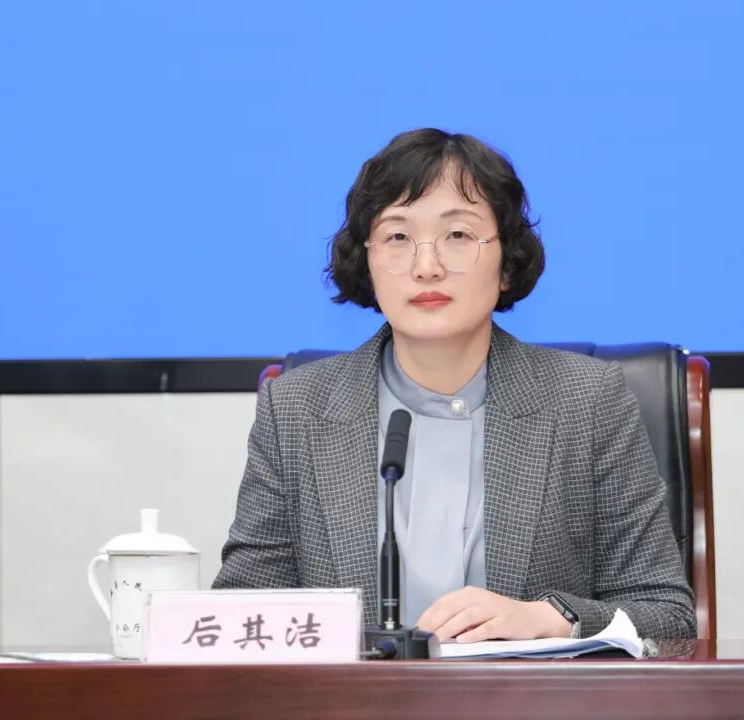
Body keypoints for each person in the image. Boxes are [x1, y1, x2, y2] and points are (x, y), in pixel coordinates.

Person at [213, 128, 696, 642]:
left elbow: (668, 617)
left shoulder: (588, 400)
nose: (427, 267)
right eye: (398, 237)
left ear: (507, 261)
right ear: (368, 262)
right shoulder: (295, 409)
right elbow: (243, 614)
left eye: (459, 236)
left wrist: (550, 618)